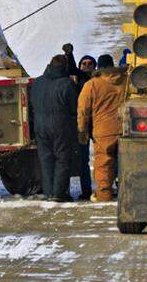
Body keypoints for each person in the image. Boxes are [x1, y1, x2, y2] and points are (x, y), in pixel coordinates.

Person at [27, 54, 79, 201]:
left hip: (40, 125)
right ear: (65, 67)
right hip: (60, 125)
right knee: (62, 158)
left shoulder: (37, 83)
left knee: (45, 158)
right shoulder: (67, 84)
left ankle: (49, 192)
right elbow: (75, 107)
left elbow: (32, 103)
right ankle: (59, 193)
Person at [77, 54, 127, 202]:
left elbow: (83, 110)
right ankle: (128, 192)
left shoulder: (92, 84)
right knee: (127, 162)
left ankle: (104, 194)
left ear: (98, 67)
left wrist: (82, 130)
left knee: (104, 163)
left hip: (104, 130)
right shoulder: (126, 81)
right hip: (126, 128)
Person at [74, 54, 98, 200]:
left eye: (90, 64)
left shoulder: (98, 83)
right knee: (83, 160)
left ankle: (105, 188)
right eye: (84, 63)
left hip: (97, 124)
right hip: (83, 125)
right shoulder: (75, 83)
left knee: (103, 157)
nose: (87, 66)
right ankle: (86, 189)